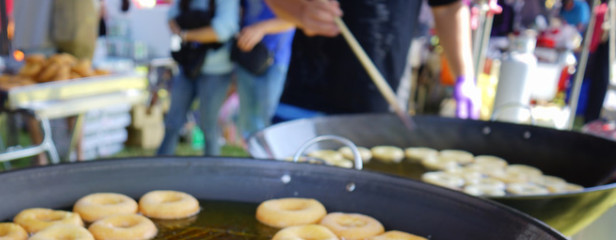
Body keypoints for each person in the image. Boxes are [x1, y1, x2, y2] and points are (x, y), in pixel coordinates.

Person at [265, 0, 481, 120]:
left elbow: (447, 8)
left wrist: (465, 78)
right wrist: (300, 10)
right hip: (305, 100)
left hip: (384, 104)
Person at [156, 0, 240, 156]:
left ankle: (212, 171)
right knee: (173, 120)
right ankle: (161, 163)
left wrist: (186, 34)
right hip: (188, 66)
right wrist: (195, 33)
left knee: (209, 125)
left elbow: (221, 32)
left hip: (217, 70)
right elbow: (171, 18)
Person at [234, 0, 295, 141]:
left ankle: (268, 160)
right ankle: (253, 158)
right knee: (248, 121)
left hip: (275, 61)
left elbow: (297, 19)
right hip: (247, 58)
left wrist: (261, 28)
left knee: (268, 119)